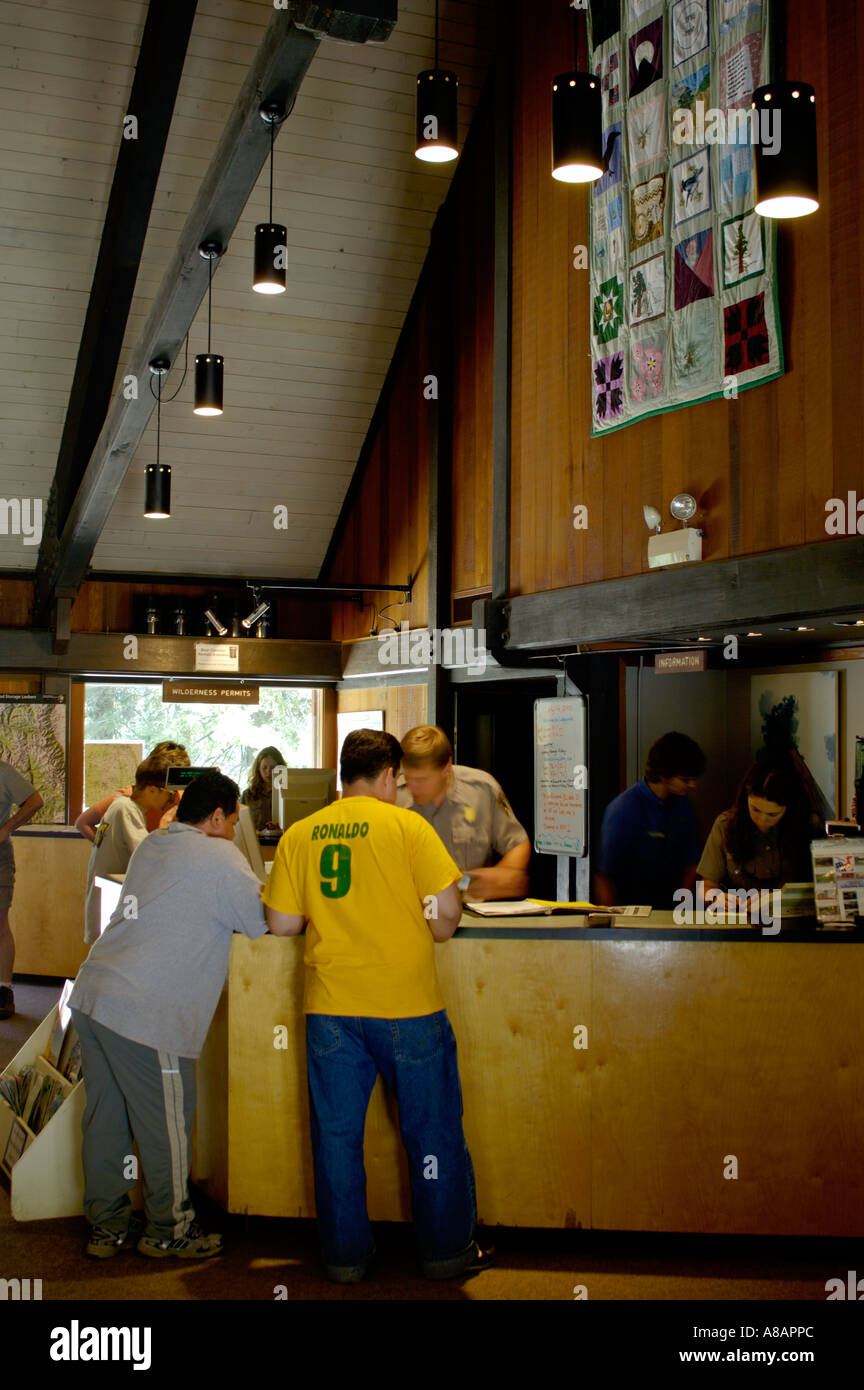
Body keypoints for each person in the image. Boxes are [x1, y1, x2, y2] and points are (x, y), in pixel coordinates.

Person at [263, 729, 493, 1284]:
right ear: (389, 775)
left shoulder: (302, 833)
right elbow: (445, 921)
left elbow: (282, 924)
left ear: (344, 774)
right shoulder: (408, 827)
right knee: (431, 1133)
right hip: (408, 1006)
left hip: (331, 1009)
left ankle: (345, 1260)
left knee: (337, 1140)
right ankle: (445, 1254)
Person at [68, 771, 274, 1260]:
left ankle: (108, 1228)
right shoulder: (221, 855)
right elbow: (263, 923)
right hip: (148, 1012)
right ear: (219, 816)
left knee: (106, 1121)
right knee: (167, 1128)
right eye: (233, 821)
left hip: (95, 995)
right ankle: (170, 1230)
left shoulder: (155, 841)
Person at [396, 725, 530, 902]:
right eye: (408, 777)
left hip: (471, 914)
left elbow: (517, 844)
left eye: (421, 780)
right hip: (416, 913)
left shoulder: (482, 790)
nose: (412, 787)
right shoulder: (394, 798)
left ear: (446, 768)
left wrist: (501, 876)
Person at [594, 731, 706, 909]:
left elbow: (692, 862)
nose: (692, 785)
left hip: (673, 912)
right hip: (632, 912)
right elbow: (604, 876)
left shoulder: (684, 805)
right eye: (685, 780)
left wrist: (682, 908)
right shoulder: (624, 809)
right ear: (663, 775)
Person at [83, 753, 179, 944]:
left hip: (112, 899)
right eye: (169, 794)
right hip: (113, 902)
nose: (170, 800)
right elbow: (149, 857)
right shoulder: (126, 810)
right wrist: (165, 824)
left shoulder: (124, 806)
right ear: (152, 790)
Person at [698, 753, 816, 896]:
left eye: (772, 815)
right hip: (738, 915)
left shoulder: (808, 827)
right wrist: (716, 898)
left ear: (789, 809)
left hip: (789, 916)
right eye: (755, 809)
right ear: (745, 799)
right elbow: (706, 887)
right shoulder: (725, 824)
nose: (761, 820)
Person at [75, 742, 190, 843]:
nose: (172, 794)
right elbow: (83, 823)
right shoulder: (127, 800)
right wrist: (109, 848)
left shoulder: (185, 799)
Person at [0, 760, 44, 1019]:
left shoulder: (4, 772)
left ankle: (3, 990)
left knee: (0, 926)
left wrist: (7, 828)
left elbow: (35, 801)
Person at [241, 745, 285, 833]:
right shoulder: (248, 795)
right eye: (264, 768)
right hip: (255, 842)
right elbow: (240, 824)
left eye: (272, 768)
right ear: (258, 769)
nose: (268, 772)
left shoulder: (287, 794)